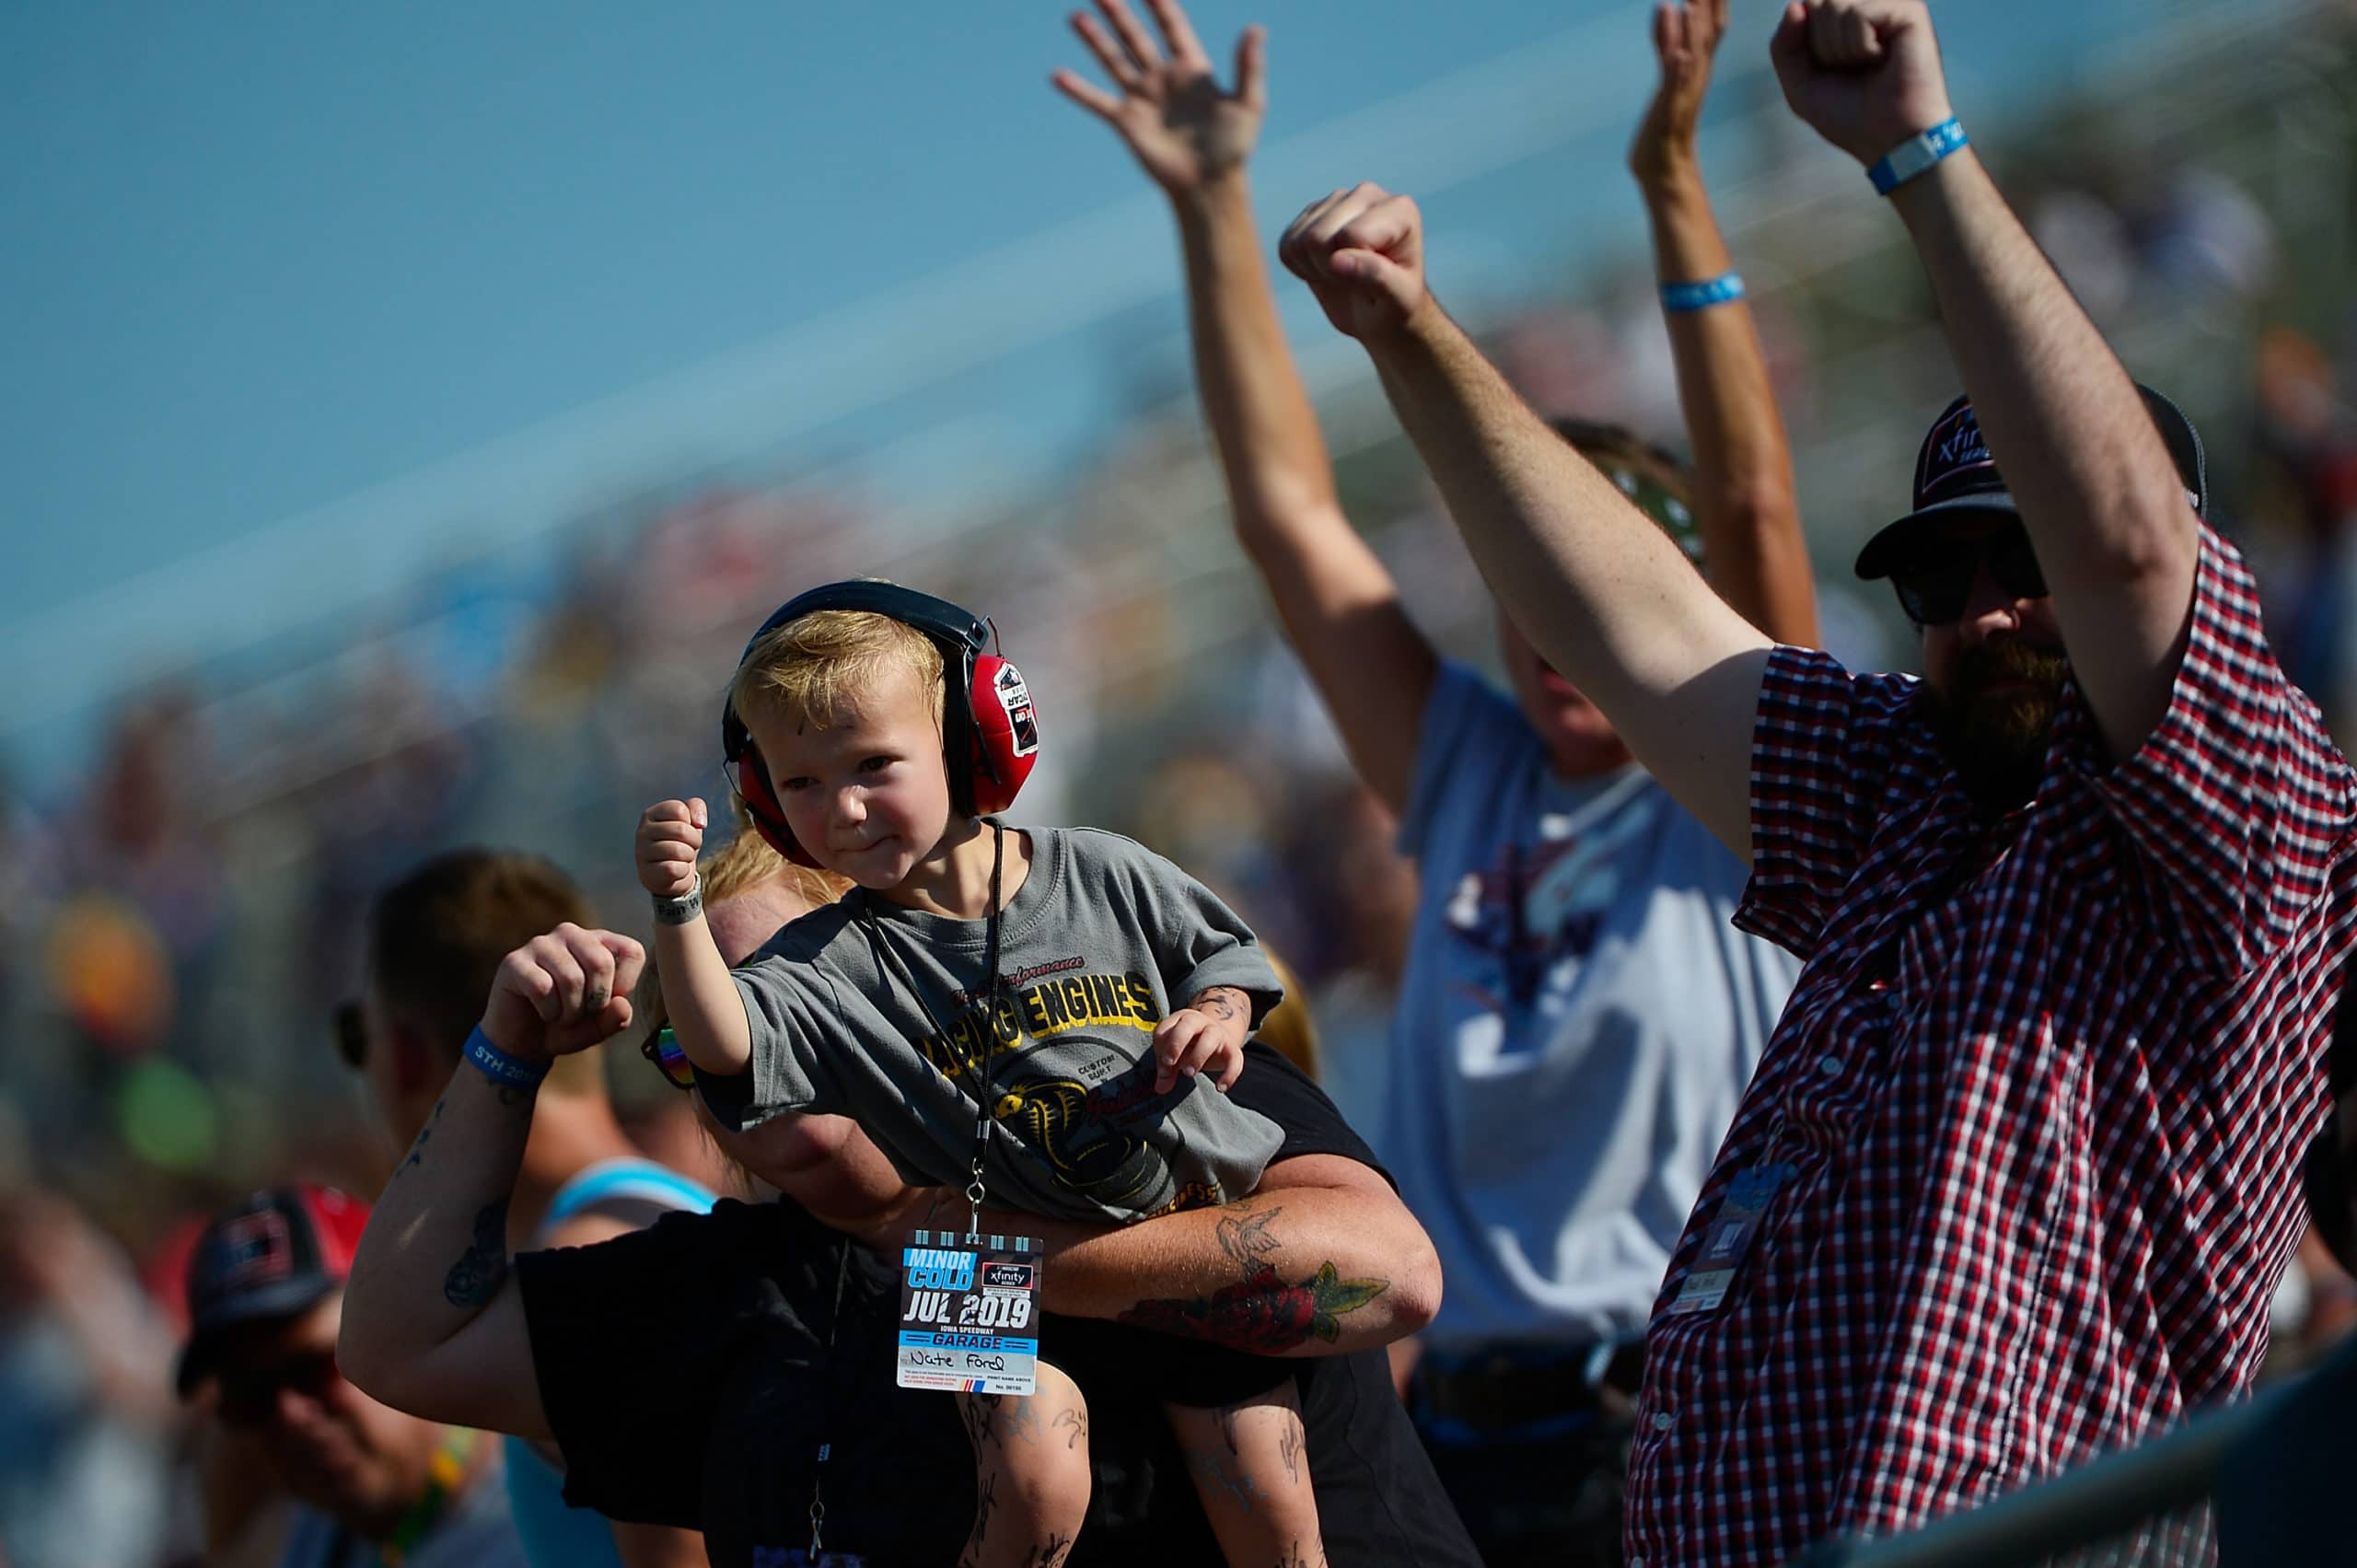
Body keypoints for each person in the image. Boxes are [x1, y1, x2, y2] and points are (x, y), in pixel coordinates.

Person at [1273, 0, 2357, 1559]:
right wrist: (1406, 331)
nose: (1991, 605)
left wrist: (1916, 147)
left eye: (2026, 555)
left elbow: (2124, 546)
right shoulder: (1901, 793)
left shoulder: (2237, 816)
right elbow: (1636, 627)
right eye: (1949, 573)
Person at [1051, 0, 1815, 1558]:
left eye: (1606, 591)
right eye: (1531, 591)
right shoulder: (1465, 760)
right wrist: (1212, 208)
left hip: (1707, 1402)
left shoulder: (1746, 768)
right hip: (1474, 1437)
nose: (1563, 633)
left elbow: (1749, 497)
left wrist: (1672, 186)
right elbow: (1284, 513)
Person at [336, 865, 1474, 1565]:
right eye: (705, 1038)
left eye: (789, 1007)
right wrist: (503, 1049)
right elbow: (396, 1342)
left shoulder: (1126, 1096)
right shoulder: (732, 1284)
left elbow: (1392, 1271)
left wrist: (962, 1243)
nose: (753, 1067)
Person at [638, 582, 1327, 1565]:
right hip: (968, 1255)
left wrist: (1216, 1015)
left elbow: (1225, 956)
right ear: (761, 794)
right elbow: (725, 1043)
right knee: (1032, 1477)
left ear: (975, 740)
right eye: (799, 783)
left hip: (1175, 1215)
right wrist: (675, 911)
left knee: (1267, 1490)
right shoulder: (821, 960)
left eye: (875, 764)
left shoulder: (1100, 867)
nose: (842, 808)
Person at [346, 849, 713, 1568]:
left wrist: (499, 1055)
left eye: (356, 1037)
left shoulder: (592, 1259)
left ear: (406, 1053)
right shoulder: (637, 1223)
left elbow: (378, 1349)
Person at [175, 1186, 528, 1568]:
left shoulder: (547, 1500)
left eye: (313, 1368)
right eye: (252, 1398)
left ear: (410, 1321)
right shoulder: (315, 1530)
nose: (290, 1416)